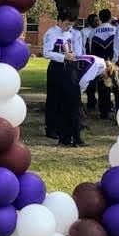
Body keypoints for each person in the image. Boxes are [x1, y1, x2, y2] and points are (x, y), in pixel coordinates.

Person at [43, 10, 85, 146]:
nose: (68, 27)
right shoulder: (51, 33)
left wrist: (76, 56)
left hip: (71, 67)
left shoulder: (73, 33)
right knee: (55, 99)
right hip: (57, 68)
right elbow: (47, 53)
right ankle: (52, 128)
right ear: (60, 21)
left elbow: (78, 51)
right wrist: (63, 57)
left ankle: (74, 132)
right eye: (66, 24)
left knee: (73, 100)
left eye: (71, 25)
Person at [88, 8, 117, 119]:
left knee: (102, 87)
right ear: (110, 17)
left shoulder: (93, 32)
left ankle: (104, 112)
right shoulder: (115, 30)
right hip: (114, 62)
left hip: (100, 63)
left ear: (99, 18)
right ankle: (116, 109)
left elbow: (91, 49)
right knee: (116, 87)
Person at [82, 14, 100, 111]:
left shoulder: (98, 30)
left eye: (97, 20)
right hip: (89, 60)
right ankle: (91, 101)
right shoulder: (84, 32)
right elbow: (83, 47)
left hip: (99, 59)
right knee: (91, 82)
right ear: (89, 21)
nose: (97, 22)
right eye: (95, 20)